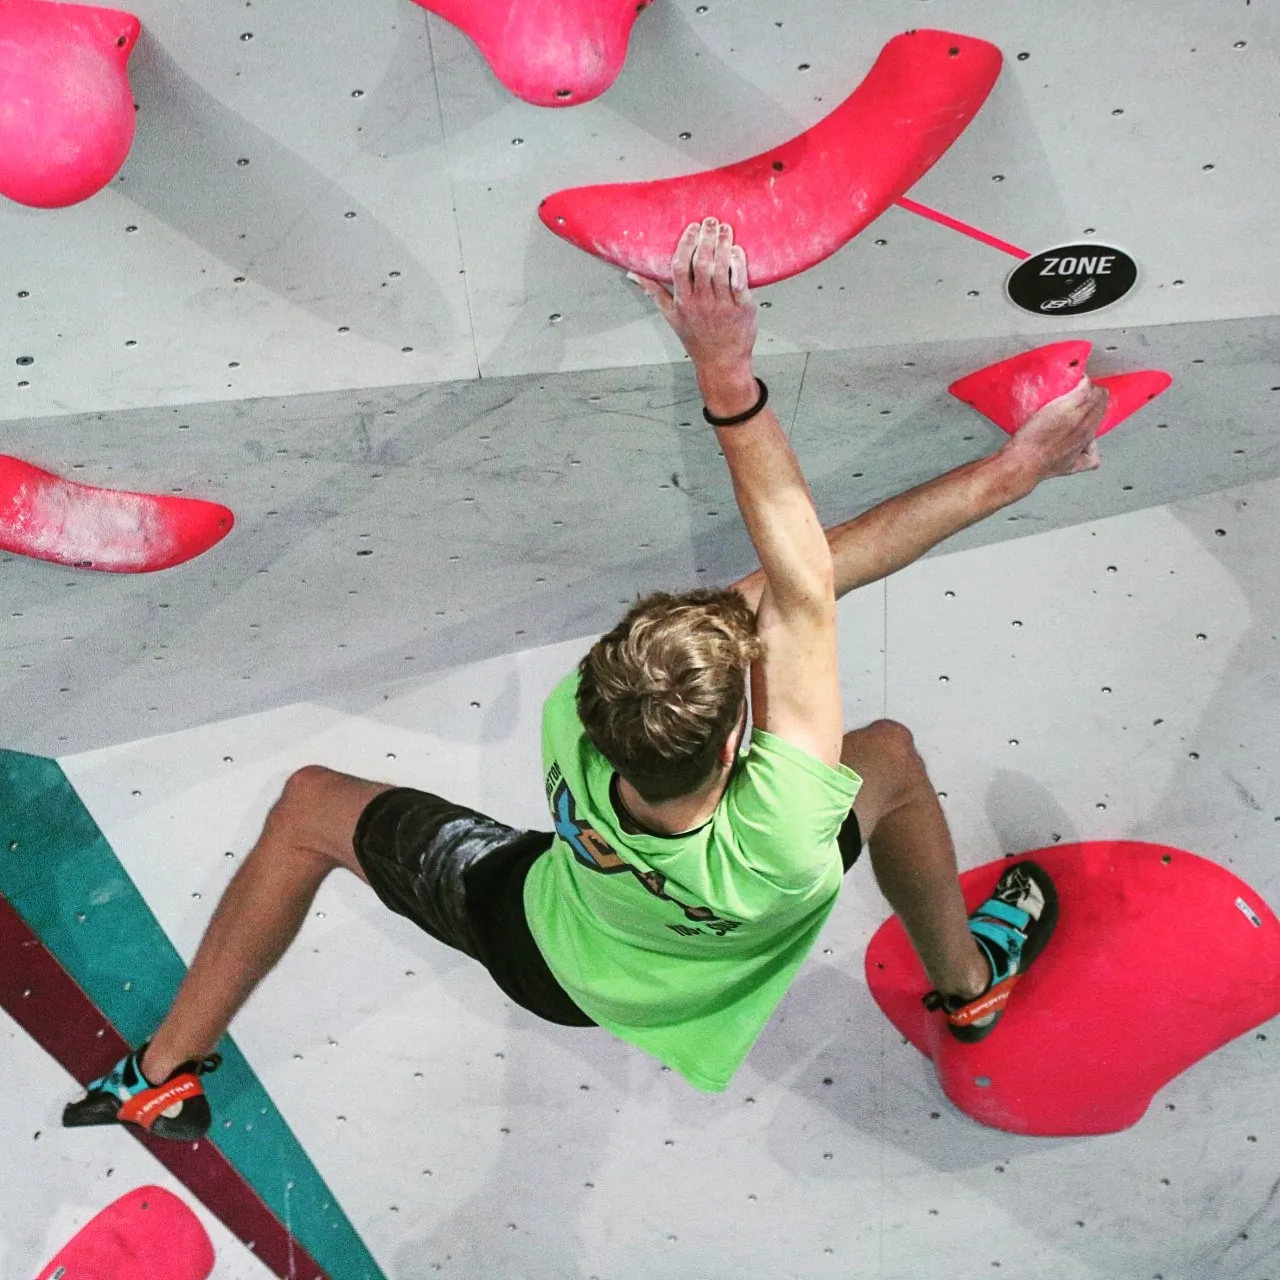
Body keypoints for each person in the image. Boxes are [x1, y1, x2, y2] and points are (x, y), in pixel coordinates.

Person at [64, 218, 1108, 1138]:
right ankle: (968, 983)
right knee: (885, 758)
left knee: (307, 810)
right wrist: (1006, 467)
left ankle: (163, 1072)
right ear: (737, 745)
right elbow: (802, 574)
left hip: (552, 955)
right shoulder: (787, 824)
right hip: (698, 941)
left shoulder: (580, 708)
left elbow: (789, 585)